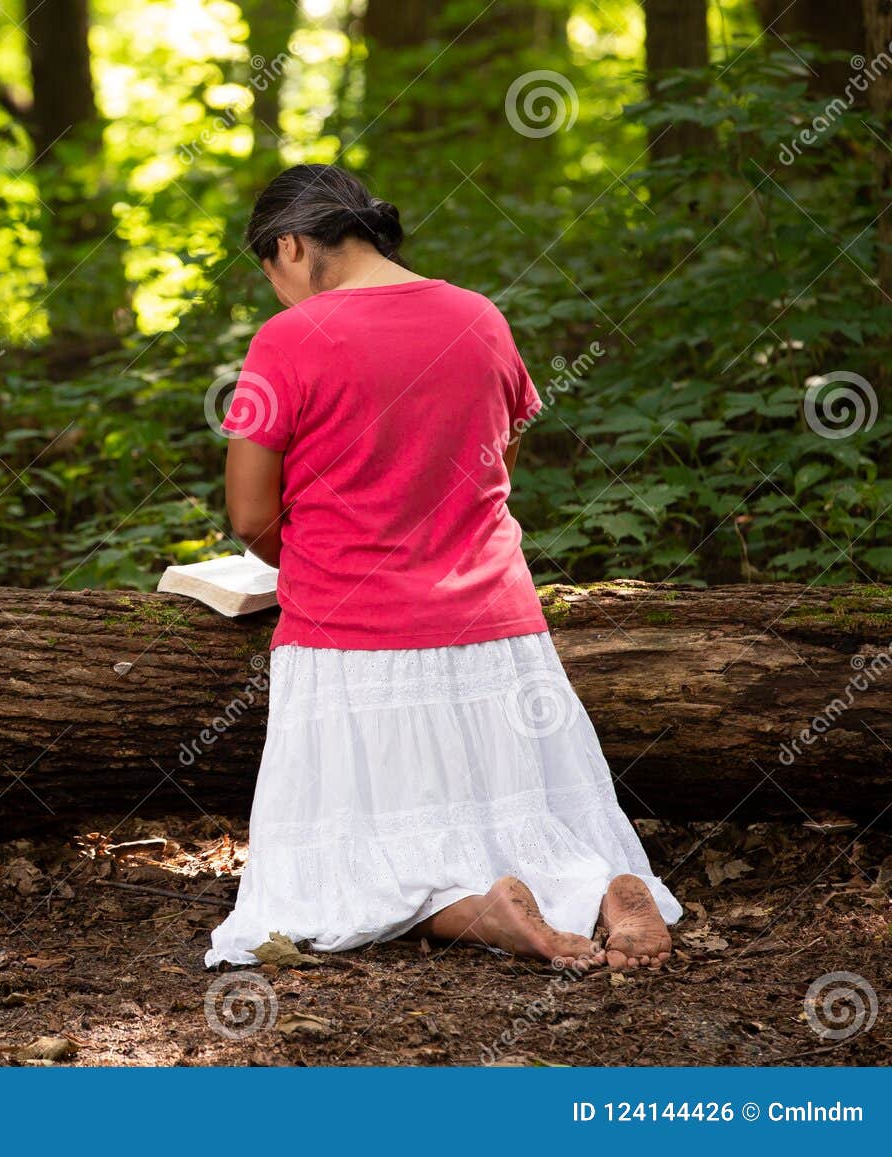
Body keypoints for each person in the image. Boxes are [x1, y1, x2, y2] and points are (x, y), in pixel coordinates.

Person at [206, 164, 680, 972]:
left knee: (324, 882)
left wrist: (321, 552)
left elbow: (251, 517)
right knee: (535, 816)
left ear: (289, 243)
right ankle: (603, 881)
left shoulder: (286, 340)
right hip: (497, 630)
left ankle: (480, 912)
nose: (277, 292)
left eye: (270, 269)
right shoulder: (480, 318)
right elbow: (498, 462)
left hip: (349, 642)